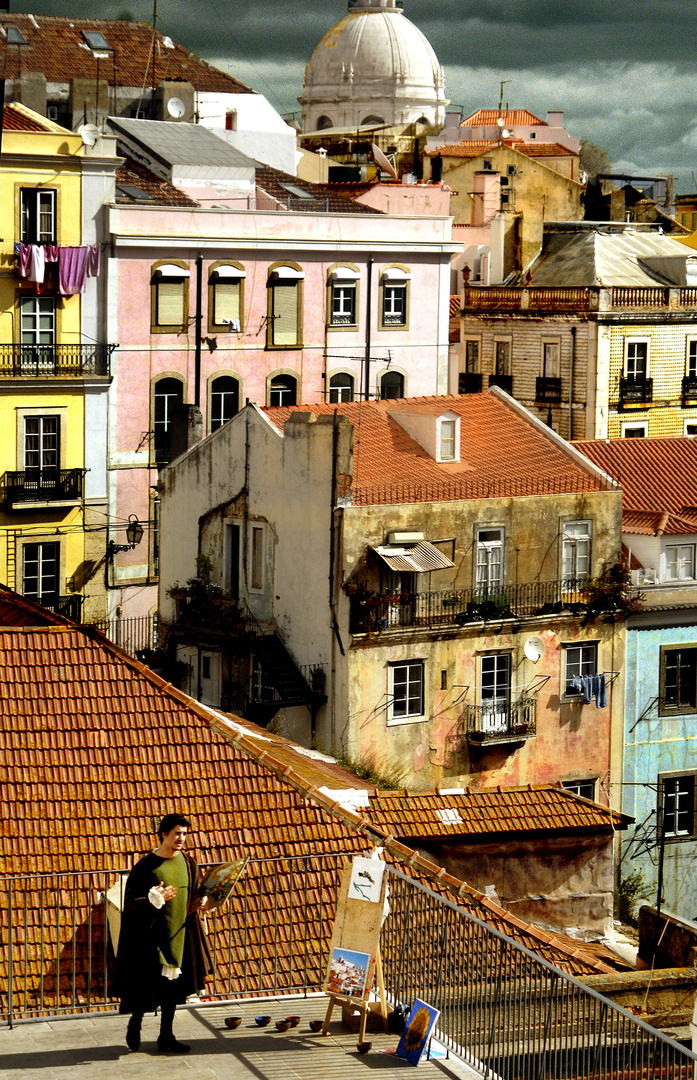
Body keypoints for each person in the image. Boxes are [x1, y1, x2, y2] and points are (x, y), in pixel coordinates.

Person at [117, 813, 212, 1054]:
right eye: (177, 833)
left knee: (173, 989)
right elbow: (131, 903)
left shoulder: (189, 862)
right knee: (147, 985)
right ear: (164, 835)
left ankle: (166, 1036)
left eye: (184, 834)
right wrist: (153, 899)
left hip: (180, 935)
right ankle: (135, 1023)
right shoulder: (146, 866)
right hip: (151, 938)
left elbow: (195, 893)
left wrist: (198, 903)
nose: (182, 838)